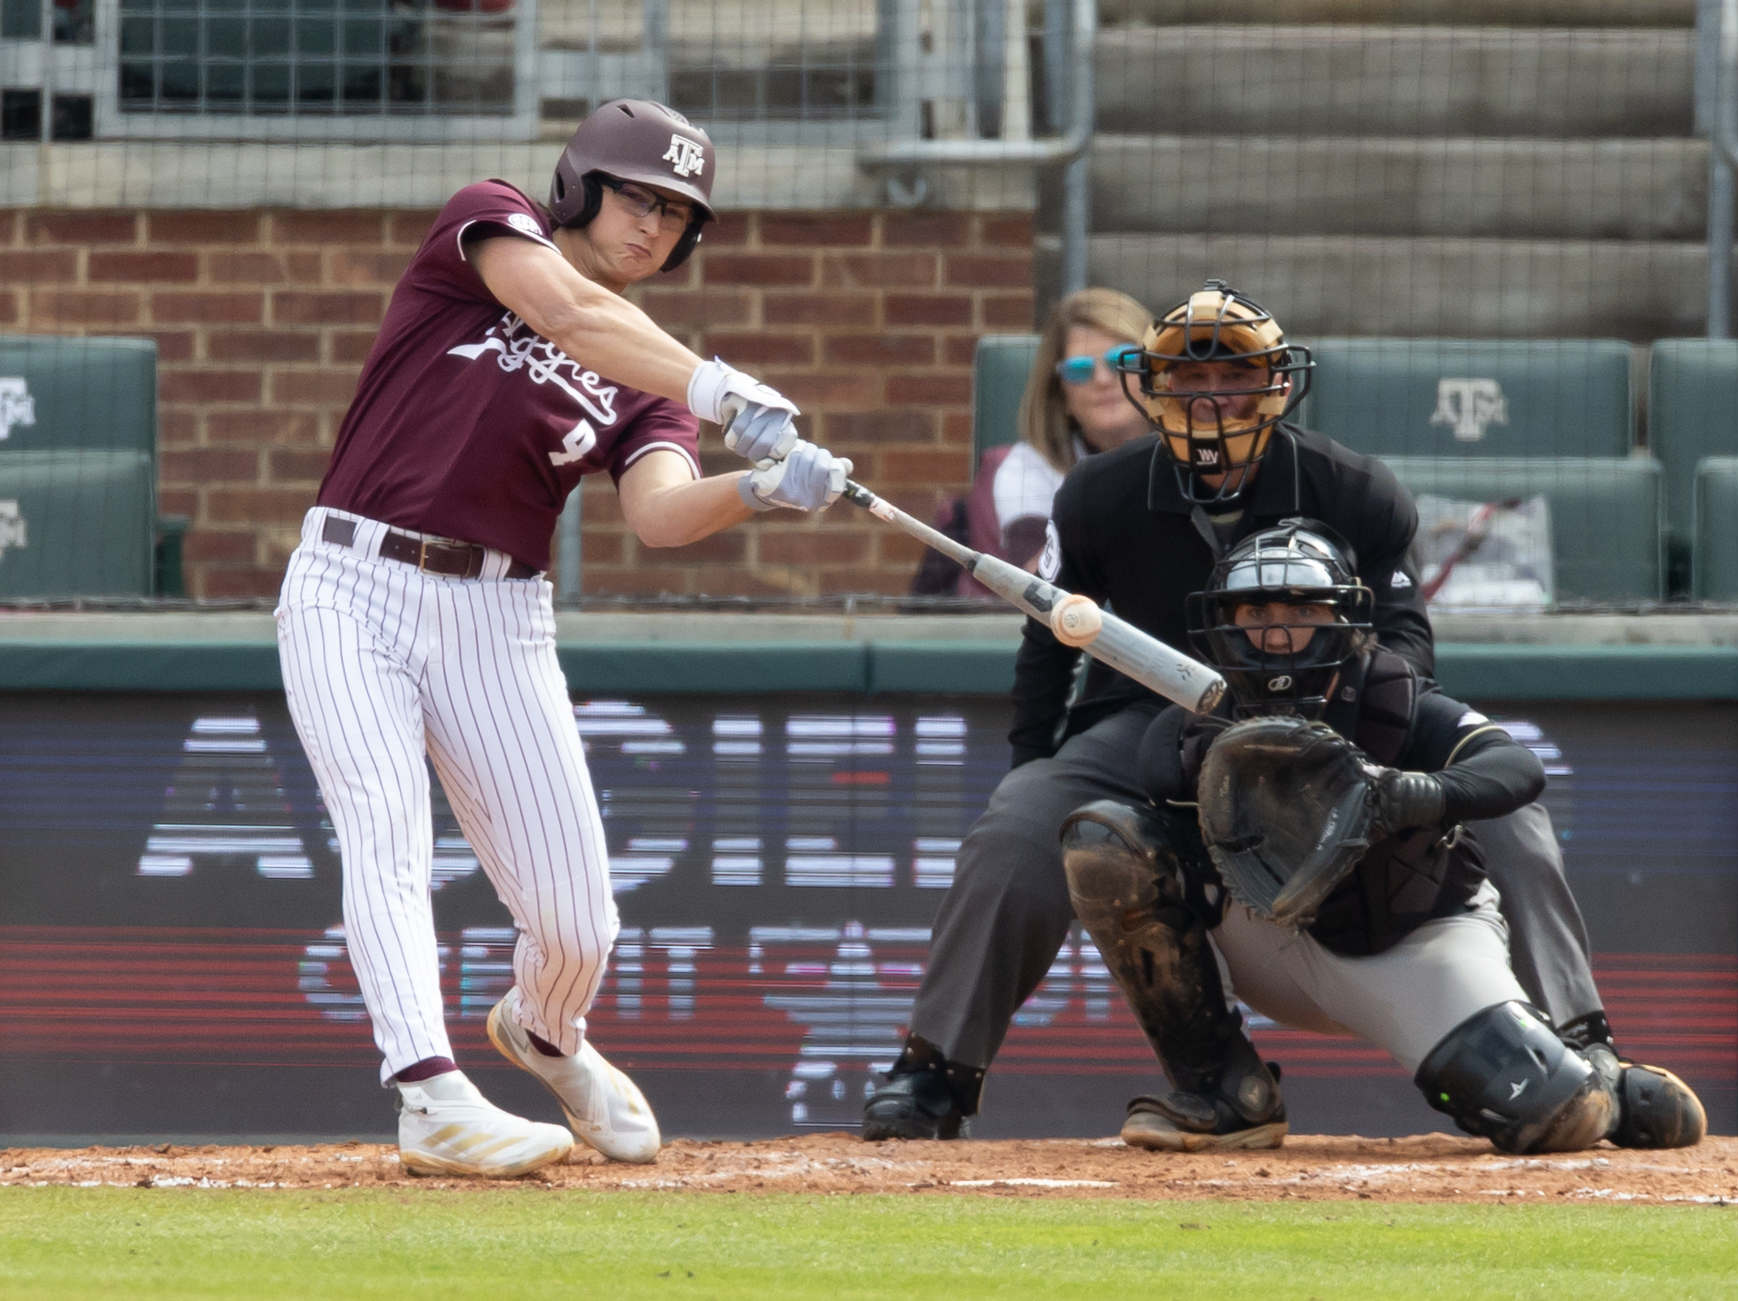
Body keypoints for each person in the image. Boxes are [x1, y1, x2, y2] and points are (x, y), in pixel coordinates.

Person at [863, 279, 1612, 1140]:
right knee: (1017, 822)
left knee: (1512, 815)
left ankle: (1586, 1042)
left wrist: (1361, 739)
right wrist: (1033, 761)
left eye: (1236, 379)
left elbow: (1406, 641)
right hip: (1146, 716)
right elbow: (1049, 644)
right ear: (1152, 387)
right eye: (1186, 381)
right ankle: (935, 1071)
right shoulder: (1099, 494)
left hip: (1333, 713)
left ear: (1277, 386)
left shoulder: (1355, 487)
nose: (1211, 399)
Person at [276, 99, 850, 1178]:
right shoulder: (488, 224)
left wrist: (763, 488)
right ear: (583, 183)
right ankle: (429, 1092)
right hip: (351, 579)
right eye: (637, 195)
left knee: (578, 920)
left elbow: (660, 512)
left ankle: (544, 1028)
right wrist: (716, 384)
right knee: (385, 832)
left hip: (500, 614)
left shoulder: (649, 381)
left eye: (678, 213)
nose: (653, 226)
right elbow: (570, 313)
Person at [1061, 521, 1705, 1154]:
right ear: (1224, 623)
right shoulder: (1190, 730)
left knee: (1554, 1115)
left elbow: (1517, 767)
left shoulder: (1392, 696)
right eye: (1256, 610)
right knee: (1107, 841)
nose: (1278, 630)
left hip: (1412, 941)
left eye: (1302, 609)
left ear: (1343, 620)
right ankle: (1224, 1092)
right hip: (1273, 941)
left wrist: (1408, 794)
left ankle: (1604, 1084)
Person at [912, 288, 1152, 595]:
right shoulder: (1023, 470)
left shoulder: (1195, 457)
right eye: (1080, 370)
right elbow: (1040, 592)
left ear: (1154, 369)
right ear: (1061, 394)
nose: (1103, 380)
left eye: (1120, 360)